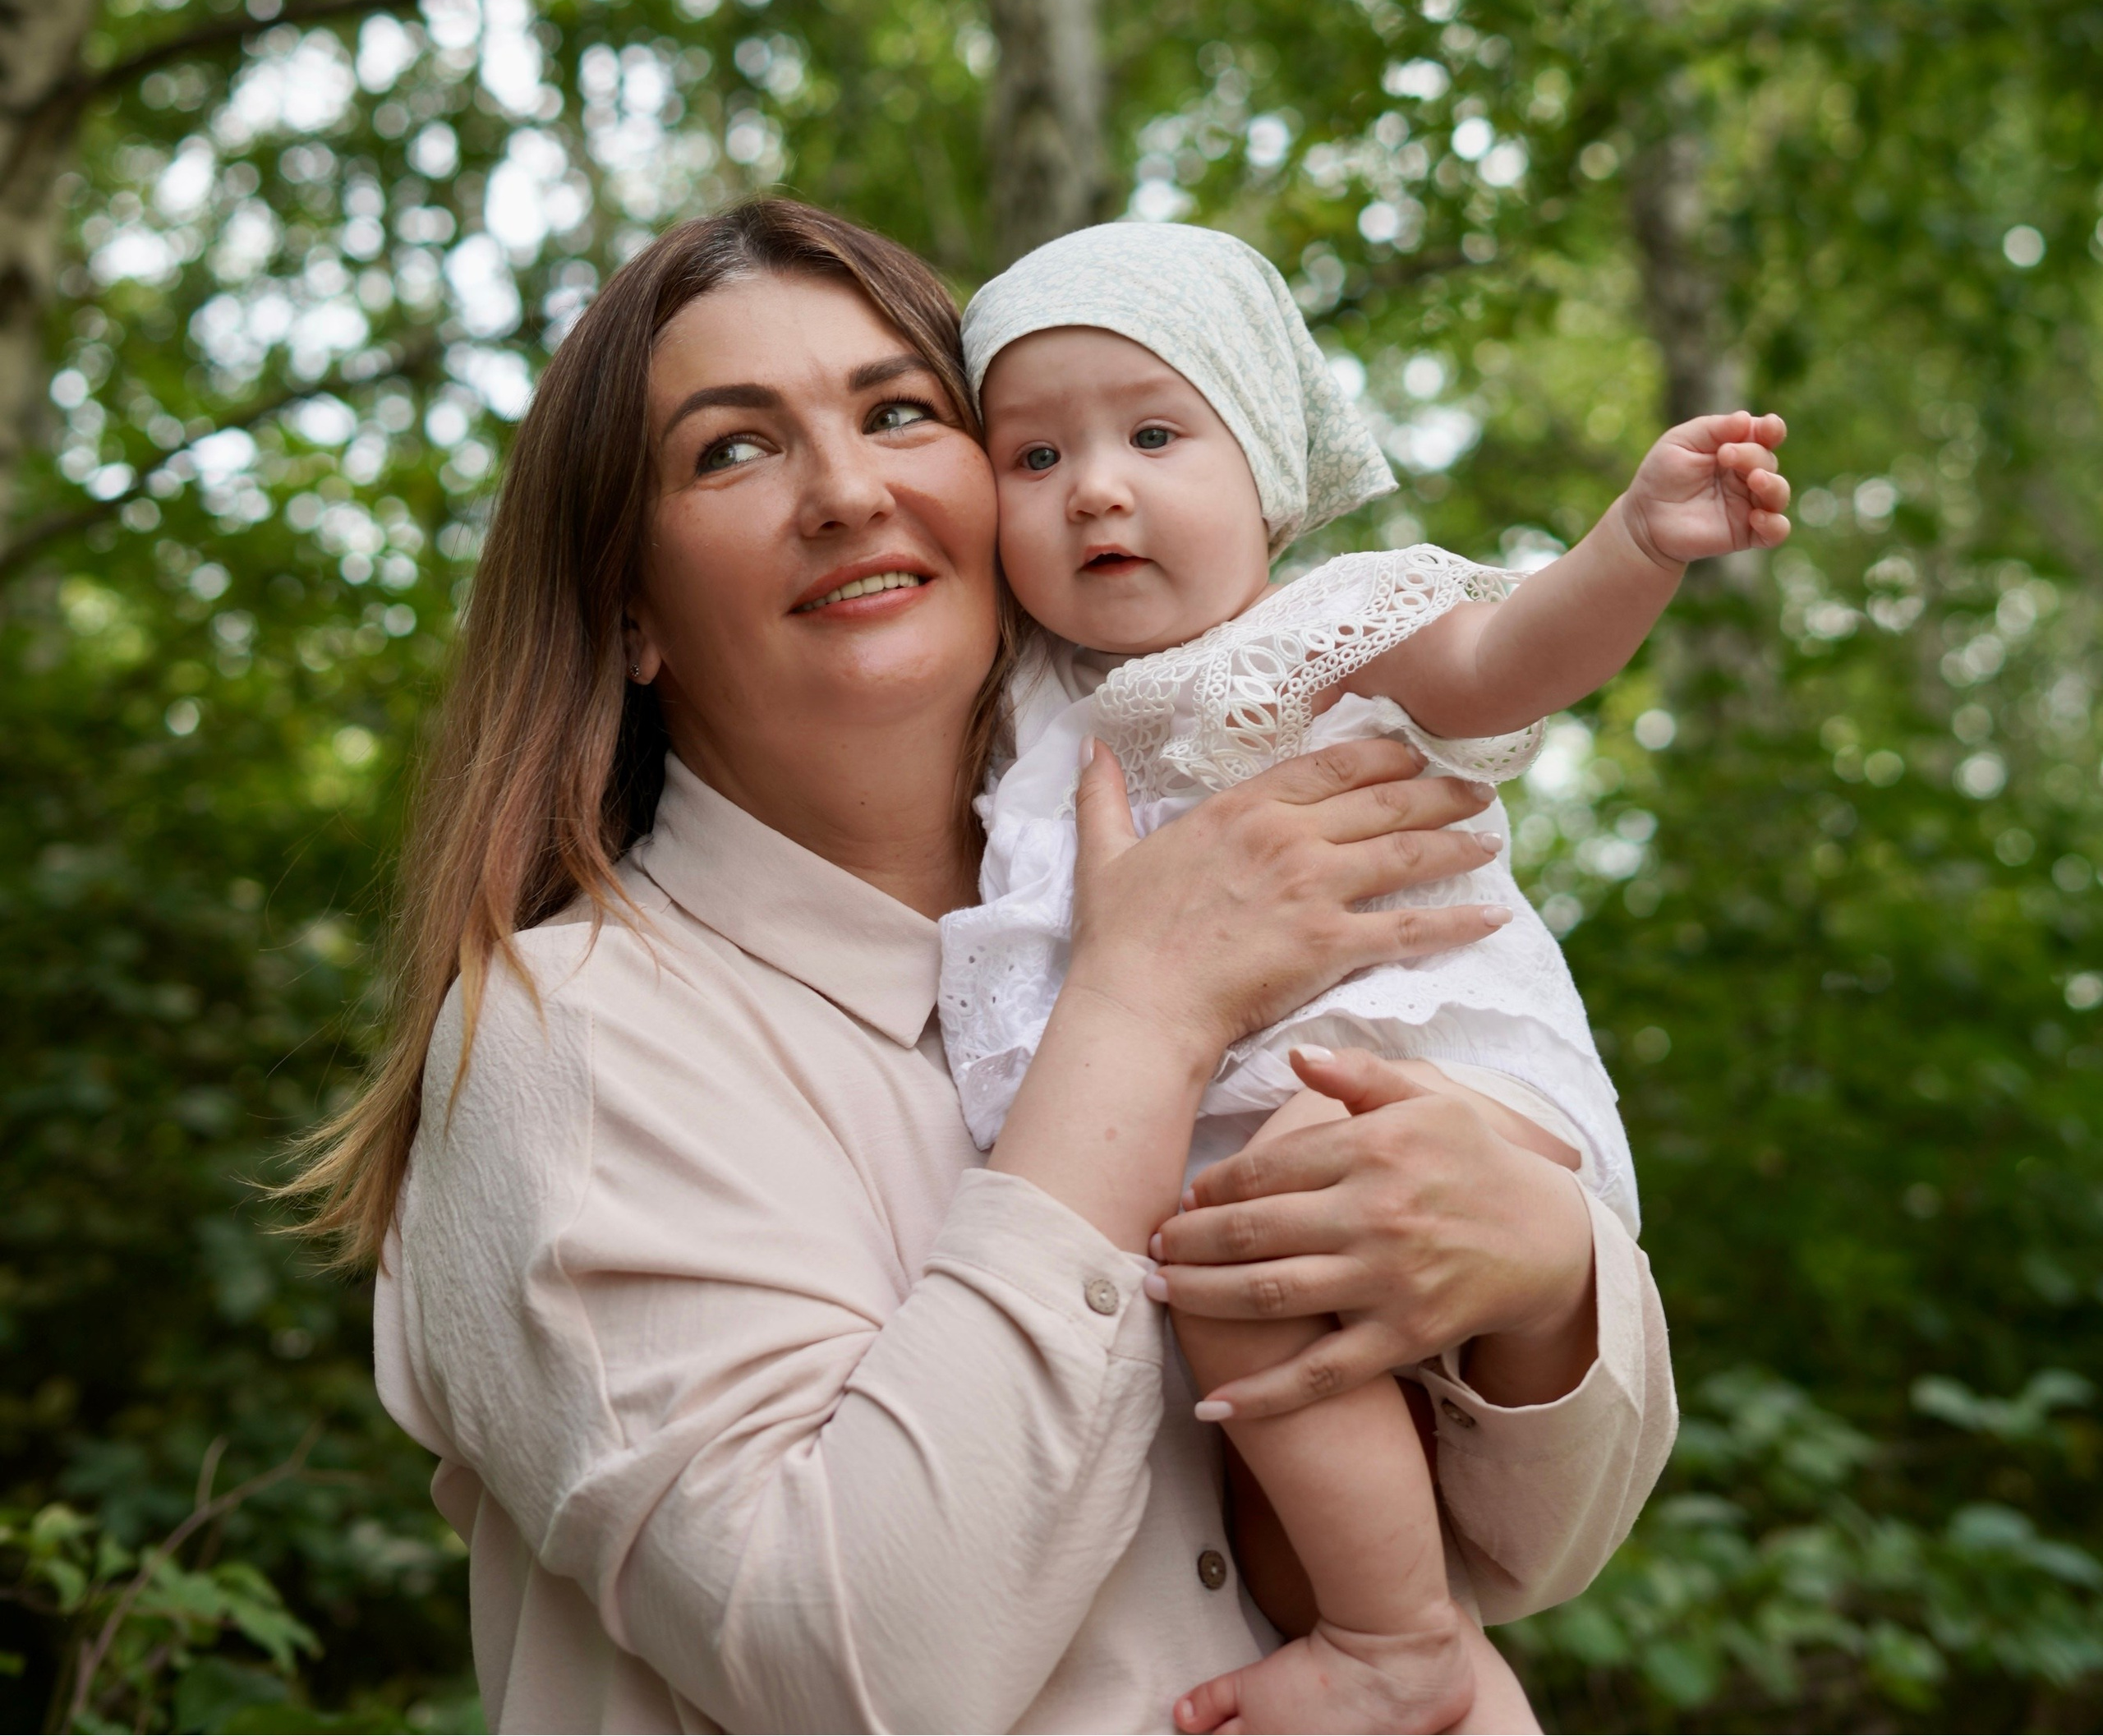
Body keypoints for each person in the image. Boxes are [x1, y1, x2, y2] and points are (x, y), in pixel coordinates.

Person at [296, 199, 1678, 1735]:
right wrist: (1141, 1013)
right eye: (732, 449)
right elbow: (853, 1667)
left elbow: (1537, 1544)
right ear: (629, 608)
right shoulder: (571, 1031)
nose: (845, 489)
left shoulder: (1202, 871)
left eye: (898, 412)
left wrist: (1542, 1267)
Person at [946, 219, 1788, 1735]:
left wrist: (1635, 543)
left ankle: (1401, 1644)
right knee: (1264, 1461)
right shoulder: (1019, 714)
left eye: (1152, 432)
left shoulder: (1313, 630)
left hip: (1405, 1085)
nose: (1099, 488)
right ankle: (1408, 1650)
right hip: (1206, 1172)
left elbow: (1504, 659)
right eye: (1033, 457)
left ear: (1266, 469)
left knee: (1271, 1228)